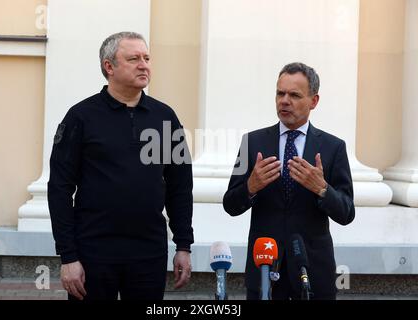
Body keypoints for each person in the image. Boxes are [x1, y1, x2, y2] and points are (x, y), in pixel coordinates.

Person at [47, 32, 194, 300]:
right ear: (109, 67)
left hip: (148, 252)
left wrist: (183, 245)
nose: (144, 64)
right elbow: (59, 188)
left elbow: (180, 185)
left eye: (147, 58)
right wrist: (68, 256)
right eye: (134, 58)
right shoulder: (80, 117)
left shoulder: (165, 117)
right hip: (93, 251)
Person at [223, 62, 355, 300]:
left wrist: (322, 189)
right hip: (264, 270)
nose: (284, 100)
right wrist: (250, 187)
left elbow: (346, 213)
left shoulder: (333, 147)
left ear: (314, 101)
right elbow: (230, 205)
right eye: (280, 93)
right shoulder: (251, 143)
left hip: (312, 272)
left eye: (294, 95)